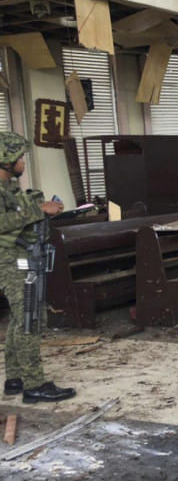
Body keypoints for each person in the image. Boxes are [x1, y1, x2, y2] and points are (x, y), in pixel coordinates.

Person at [0, 132, 75, 404]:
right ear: (7, 160)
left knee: (20, 318)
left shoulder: (8, 189)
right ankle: (35, 385)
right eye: (20, 157)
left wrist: (42, 207)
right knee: (29, 318)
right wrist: (38, 210)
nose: (23, 162)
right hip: (9, 260)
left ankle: (15, 378)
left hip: (20, 257)